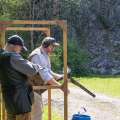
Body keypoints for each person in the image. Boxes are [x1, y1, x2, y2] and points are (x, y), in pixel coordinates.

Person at [0, 35, 64, 120]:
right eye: (20, 48)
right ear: (14, 46)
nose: (20, 51)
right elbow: (31, 70)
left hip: (10, 101)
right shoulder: (12, 56)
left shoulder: (2, 56)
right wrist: (37, 66)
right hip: (20, 101)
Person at [29, 37, 65, 120]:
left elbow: (48, 71)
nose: (54, 48)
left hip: (36, 89)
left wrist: (60, 76)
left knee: (37, 113)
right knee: (36, 115)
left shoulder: (44, 55)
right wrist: (61, 86)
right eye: (53, 46)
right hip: (31, 89)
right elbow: (46, 76)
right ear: (47, 45)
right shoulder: (38, 56)